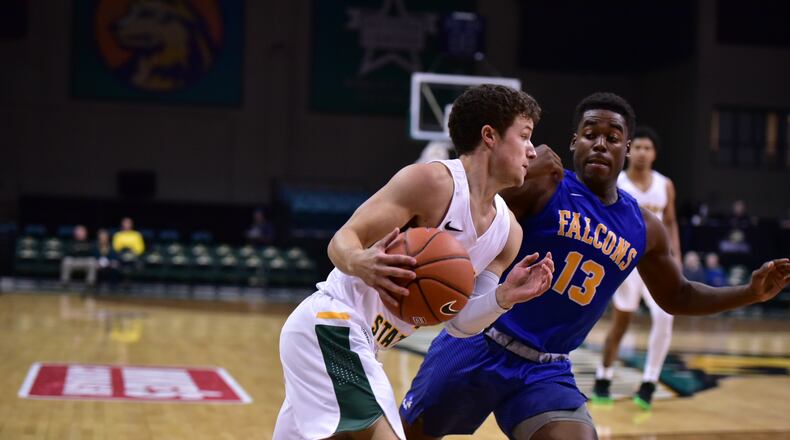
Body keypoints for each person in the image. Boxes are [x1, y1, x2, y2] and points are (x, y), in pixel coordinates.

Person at [400, 92, 790, 440]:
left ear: (628, 148)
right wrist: (516, 180)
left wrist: (750, 293)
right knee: (403, 436)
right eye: (590, 134)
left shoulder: (644, 227)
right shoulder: (544, 185)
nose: (600, 144)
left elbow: (678, 295)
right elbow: (473, 212)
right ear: (574, 142)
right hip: (481, 343)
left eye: (613, 137)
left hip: (545, 369)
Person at [274, 84, 556, 440]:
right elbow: (342, 240)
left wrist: (504, 298)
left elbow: (460, 322)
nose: (532, 151)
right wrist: (361, 261)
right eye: (525, 136)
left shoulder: (508, 234)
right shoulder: (433, 182)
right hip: (332, 325)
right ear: (489, 136)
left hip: (365, 344)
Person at [592, 126, 680, 410]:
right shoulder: (617, 183)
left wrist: (675, 254)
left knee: (665, 317)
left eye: (648, 148)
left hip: (657, 263)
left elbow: (670, 222)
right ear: (629, 151)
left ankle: (649, 382)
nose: (642, 152)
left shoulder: (664, 184)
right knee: (621, 323)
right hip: (625, 262)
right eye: (638, 147)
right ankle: (603, 376)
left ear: (654, 154)